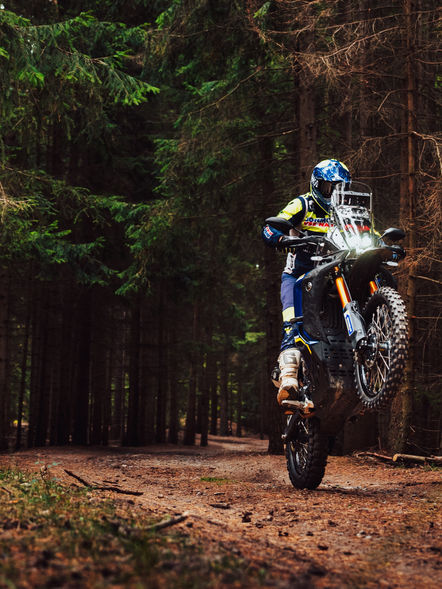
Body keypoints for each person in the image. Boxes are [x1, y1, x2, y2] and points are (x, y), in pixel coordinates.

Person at [262, 159, 351, 409]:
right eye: (328, 188)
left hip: (333, 279)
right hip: (299, 277)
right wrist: (280, 238)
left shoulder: (348, 212)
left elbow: (367, 232)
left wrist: (382, 244)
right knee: (293, 324)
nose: (333, 194)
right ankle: (288, 378)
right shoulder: (303, 204)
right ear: (316, 185)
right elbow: (271, 226)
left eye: (339, 189)